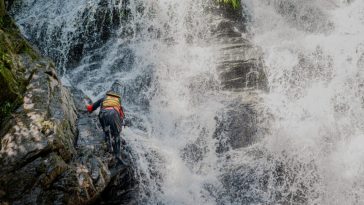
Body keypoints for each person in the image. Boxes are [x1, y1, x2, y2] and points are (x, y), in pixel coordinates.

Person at [86, 83, 126, 165]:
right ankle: (117, 155)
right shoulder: (118, 101)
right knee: (116, 134)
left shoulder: (103, 99)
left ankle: (108, 142)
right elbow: (121, 116)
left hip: (102, 114)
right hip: (113, 113)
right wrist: (119, 126)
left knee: (106, 132)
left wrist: (86, 105)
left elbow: (91, 108)